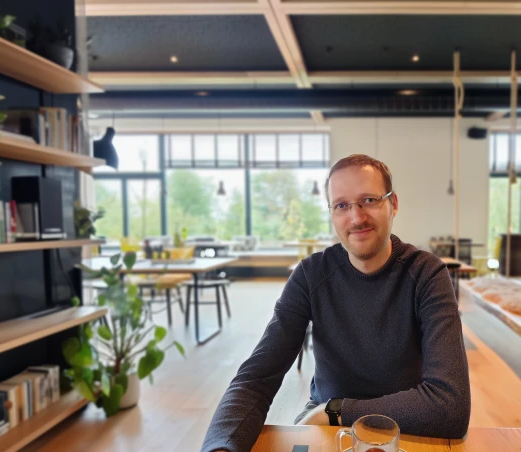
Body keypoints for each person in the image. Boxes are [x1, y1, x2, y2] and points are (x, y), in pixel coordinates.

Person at [201, 154, 471, 452]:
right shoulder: (310, 275)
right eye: (341, 205)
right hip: (326, 423)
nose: (356, 217)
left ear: (393, 204)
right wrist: (221, 448)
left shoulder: (426, 273)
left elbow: (450, 406)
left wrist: (337, 410)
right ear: (331, 212)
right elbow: (256, 378)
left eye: (369, 199)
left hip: (404, 426)